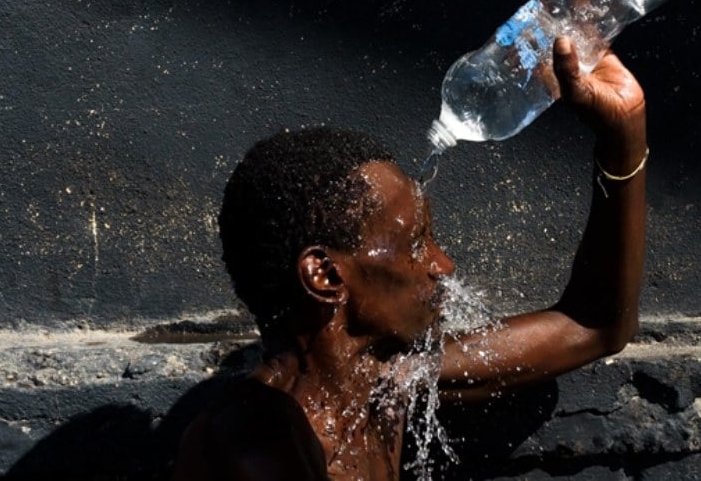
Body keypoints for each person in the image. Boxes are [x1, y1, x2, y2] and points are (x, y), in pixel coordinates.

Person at [171, 36, 648, 480]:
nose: (443, 265)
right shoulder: (251, 446)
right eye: (416, 243)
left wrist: (623, 131)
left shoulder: (386, 384)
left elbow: (594, 325)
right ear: (325, 275)